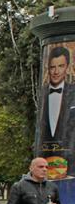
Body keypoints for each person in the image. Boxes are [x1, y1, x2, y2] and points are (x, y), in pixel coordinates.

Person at [38, 46, 75, 175]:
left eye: (60, 66)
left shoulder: (74, 92)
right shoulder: (42, 94)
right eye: (52, 67)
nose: (56, 71)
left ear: (67, 67)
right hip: (45, 163)